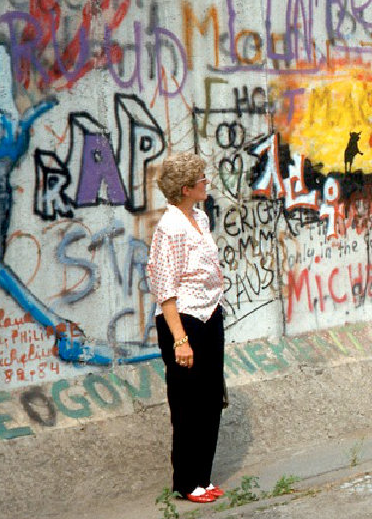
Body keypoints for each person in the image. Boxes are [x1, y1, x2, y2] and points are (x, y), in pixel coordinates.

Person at [147, 152, 226, 503]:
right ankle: (186, 481)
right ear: (185, 188)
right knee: (187, 404)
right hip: (184, 322)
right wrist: (180, 339)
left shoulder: (200, 218)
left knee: (210, 399)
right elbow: (165, 288)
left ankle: (203, 477)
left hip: (210, 316)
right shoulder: (170, 228)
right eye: (201, 180)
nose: (206, 183)